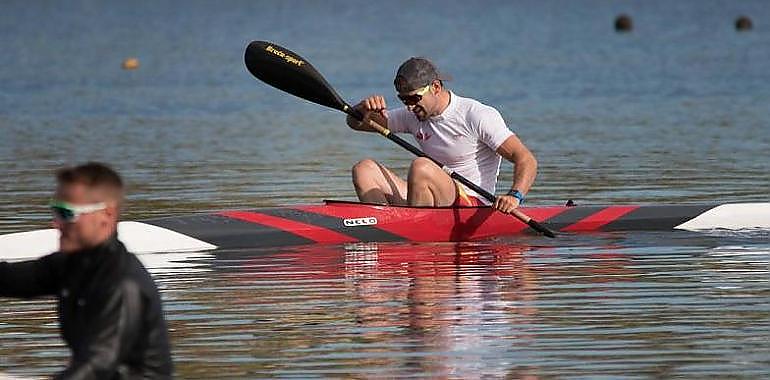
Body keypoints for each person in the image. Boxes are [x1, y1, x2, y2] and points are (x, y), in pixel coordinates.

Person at [0, 162, 173, 379]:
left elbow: (99, 362)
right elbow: (9, 279)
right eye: (55, 211)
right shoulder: (72, 265)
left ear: (107, 215)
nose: (56, 223)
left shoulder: (122, 283)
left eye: (66, 214)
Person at [346, 57, 538, 214]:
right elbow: (357, 124)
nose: (409, 106)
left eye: (413, 98)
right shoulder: (414, 113)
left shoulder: (475, 114)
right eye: (403, 99)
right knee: (364, 169)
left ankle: (413, 232)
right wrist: (362, 109)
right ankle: (386, 226)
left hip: (472, 204)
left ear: (436, 87)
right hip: (431, 197)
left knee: (422, 167)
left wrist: (515, 196)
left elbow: (526, 159)